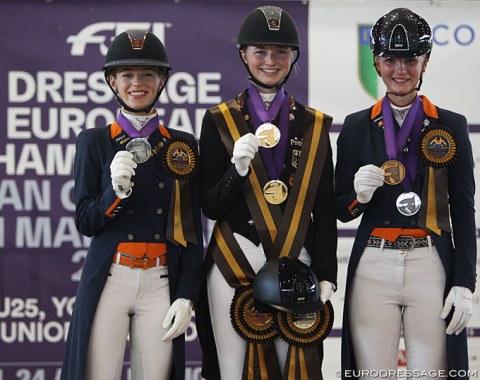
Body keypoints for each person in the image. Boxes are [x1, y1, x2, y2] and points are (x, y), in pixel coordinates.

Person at [196, 5, 337, 380]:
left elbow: (323, 209)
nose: (270, 61)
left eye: (280, 52)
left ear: (294, 58)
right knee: (232, 369)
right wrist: (236, 172)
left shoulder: (315, 125)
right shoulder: (217, 120)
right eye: (260, 51)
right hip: (234, 258)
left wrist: (326, 273)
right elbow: (210, 205)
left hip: (298, 258)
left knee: (298, 366)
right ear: (243, 55)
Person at [335, 8, 476, 379]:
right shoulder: (354, 127)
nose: (401, 69)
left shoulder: (451, 125)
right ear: (376, 63)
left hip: (430, 263)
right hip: (373, 262)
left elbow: (463, 209)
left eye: (410, 58)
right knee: (373, 375)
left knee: (430, 374)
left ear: (425, 62)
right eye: (391, 59)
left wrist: (464, 281)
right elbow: (340, 209)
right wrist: (358, 197)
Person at [61, 29, 204, 380]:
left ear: (162, 80)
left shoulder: (181, 146)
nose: (136, 83)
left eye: (147, 74)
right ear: (112, 80)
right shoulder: (94, 141)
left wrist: (187, 297)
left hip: (160, 280)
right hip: (110, 277)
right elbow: (86, 221)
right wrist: (115, 193)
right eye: (127, 74)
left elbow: (191, 231)